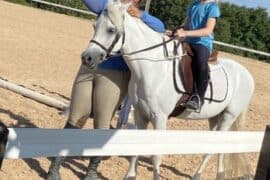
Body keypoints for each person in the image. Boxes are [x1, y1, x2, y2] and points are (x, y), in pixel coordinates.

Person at [46, 0, 165, 180]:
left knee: (102, 122)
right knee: (76, 116)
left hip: (116, 74)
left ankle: (92, 170)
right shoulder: (107, 7)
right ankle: (55, 166)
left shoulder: (136, 18)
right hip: (89, 67)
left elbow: (160, 26)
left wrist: (141, 15)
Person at [174, 0, 220, 111]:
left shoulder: (213, 7)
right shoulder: (194, 4)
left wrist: (185, 33)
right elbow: (186, 24)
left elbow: (208, 31)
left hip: (202, 43)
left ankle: (198, 97)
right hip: (188, 40)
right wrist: (176, 31)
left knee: (200, 62)